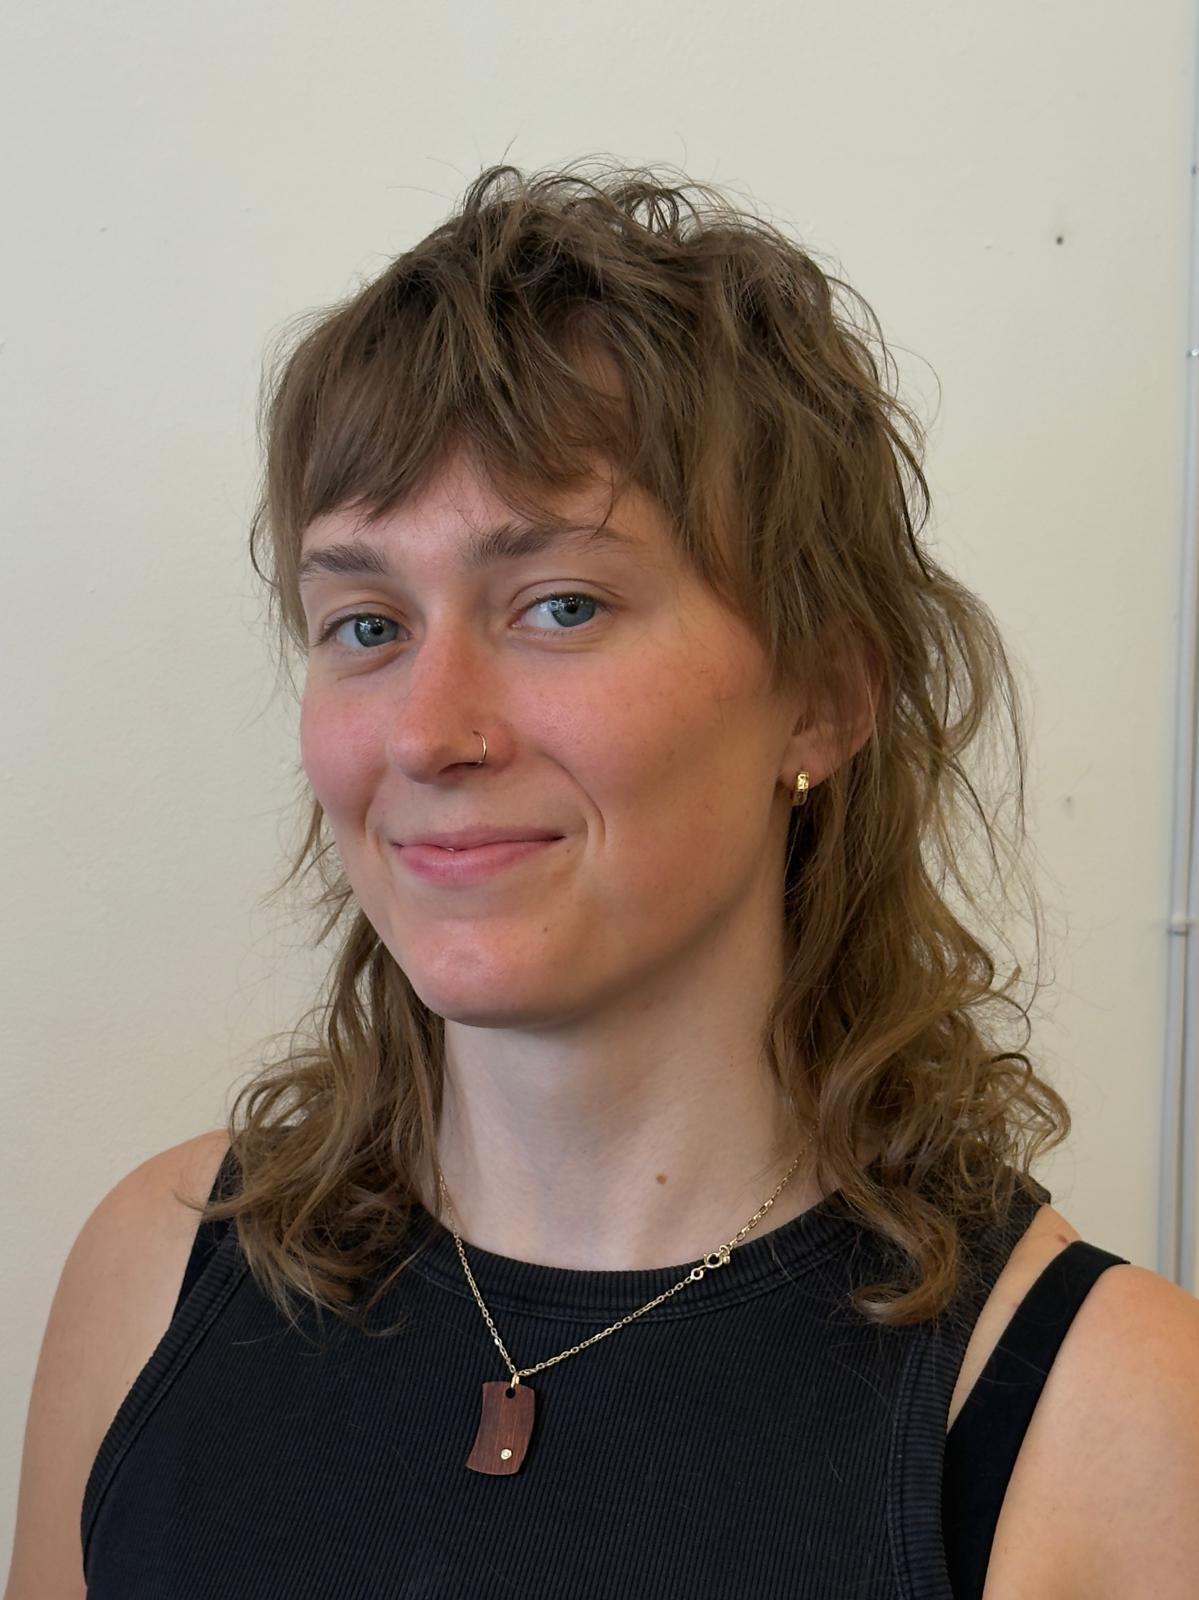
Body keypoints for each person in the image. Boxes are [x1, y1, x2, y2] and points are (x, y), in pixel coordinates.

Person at [7, 159, 1199, 1600]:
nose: (432, 733)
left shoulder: (1106, 1418)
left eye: (560, 604)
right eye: (368, 623)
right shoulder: (158, 1277)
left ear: (823, 697)